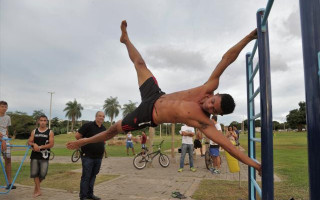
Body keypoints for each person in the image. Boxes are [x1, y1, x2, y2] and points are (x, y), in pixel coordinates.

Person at [67, 20, 261, 174]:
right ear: (215, 94)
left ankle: (83, 142)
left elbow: (230, 147)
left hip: (147, 115)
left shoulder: (205, 123)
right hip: (156, 95)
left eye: (213, 110)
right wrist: (250, 36)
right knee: (140, 63)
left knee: (113, 129)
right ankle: (125, 39)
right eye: (212, 102)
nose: (209, 106)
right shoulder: (208, 86)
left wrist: (256, 166)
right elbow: (227, 59)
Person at [75, 111, 106, 200]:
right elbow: (77, 136)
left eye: (103, 116)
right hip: (87, 155)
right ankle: (83, 196)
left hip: (98, 157)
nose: (101, 118)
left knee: (93, 175)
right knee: (86, 176)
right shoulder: (88, 126)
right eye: (100, 116)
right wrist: (83, 143)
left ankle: (90, 194)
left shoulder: (103, 128)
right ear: (96, 117)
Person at [28, 115, 54, 197]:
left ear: (47, 121)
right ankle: (38, 191)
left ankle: (36, 188)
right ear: (38, 121)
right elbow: (29, 142)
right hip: (35, 155)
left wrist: (40, 147)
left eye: (44, 120)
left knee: (43, 174)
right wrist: (33, 144)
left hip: (45, 156)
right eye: (41, 120)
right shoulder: (34, 131)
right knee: (35, 173)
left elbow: (51, 144)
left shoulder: (50, 132)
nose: (43, 122)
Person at [0, 101, 16, 189]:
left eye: (5, 107)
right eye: (2, 106)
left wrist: (7, 140)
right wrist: (2, 140)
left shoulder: (7, 117)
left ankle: (9, 183)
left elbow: (6, 129)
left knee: (8, 160)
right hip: (1, 139)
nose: (4, 108)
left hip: (5, 139)